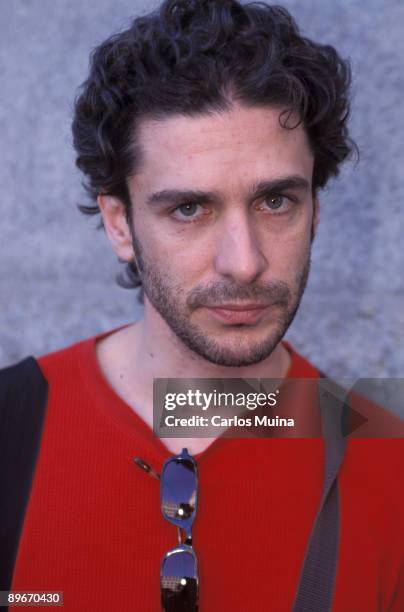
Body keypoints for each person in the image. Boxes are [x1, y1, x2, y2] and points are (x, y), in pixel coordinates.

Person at [2, 0, 403, 610]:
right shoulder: (11, 432)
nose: (243, 263)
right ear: (119, 223)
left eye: (276, 202)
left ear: (315, 209)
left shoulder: (389, 471)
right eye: (188, 209)